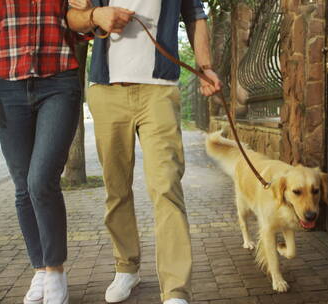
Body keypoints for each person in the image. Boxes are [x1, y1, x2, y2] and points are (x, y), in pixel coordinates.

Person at [67, 1, 221, 303]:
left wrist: (205, 67)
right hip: (106, 89)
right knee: (116, 189)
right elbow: (72, 16)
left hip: (159, 90)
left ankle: (176, 290)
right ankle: (126, 268)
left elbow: (195, 14)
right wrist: (96, 15)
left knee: (166, 187)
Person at [0, 1, 83, 303]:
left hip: (59, 81)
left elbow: (85, 27)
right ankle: (40, 268)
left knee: (41, 181)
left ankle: (56, 270)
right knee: (22, 186)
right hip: (8, 86)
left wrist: (89, 14)